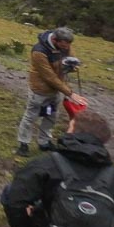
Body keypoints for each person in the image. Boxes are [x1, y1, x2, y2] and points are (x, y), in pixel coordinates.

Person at [2, 110, 114, 227]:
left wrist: (26, 226)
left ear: (73, 132)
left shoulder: (49, 164)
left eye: (70, 126)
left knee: (9, 192)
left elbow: (15, 200)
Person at [16, 27, 87, 156]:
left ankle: (44, 142)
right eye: (64, 45)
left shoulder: (66, 45)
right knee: (31, 116)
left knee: (51, 116)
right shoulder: (39, 51)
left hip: (57, 90)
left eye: (69, 45)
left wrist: (72, 66)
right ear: (55, 40)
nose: (67, 48)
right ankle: (23, 143)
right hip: (40, 90)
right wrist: (70, 93)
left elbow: (70, 58)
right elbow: (49, 77)